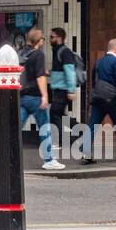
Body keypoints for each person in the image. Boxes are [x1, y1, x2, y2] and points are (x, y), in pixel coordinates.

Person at [18, 28, 64, 170]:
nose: (45, 40)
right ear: (40, 40)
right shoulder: (39, 55)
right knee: (45, 129)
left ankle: (6, 156)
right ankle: (49, 160)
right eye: (44, 38)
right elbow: (40, 77)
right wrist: (45, 96)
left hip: (22, 97)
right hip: (35, 98)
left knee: (15, 128)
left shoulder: (22, 53)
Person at [83, 39, 116, 164]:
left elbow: (94, 82)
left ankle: (86, 152)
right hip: (113, 100)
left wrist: (96, 95)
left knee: (93, 125)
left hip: (98, 98)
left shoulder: (99, 62)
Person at [47, 27, 79, 157]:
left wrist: (71, 90)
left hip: (63, 89)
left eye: (52, 37)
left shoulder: (64, 52)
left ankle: (64, 141)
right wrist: (49, 72)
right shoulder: (57, 51)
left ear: (59, 38)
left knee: (54, 113)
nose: (50, 39)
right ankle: (81, 130)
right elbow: (60, 70)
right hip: (58, 88)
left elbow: (70, 71)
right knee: (60, 115)